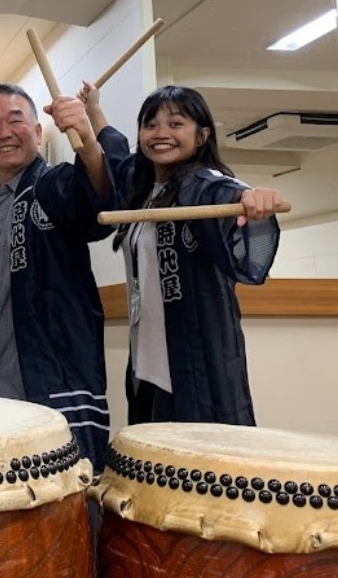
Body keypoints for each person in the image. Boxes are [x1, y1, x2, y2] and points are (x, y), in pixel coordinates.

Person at [78, 81, 281, 426]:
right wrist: (92, 107)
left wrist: (254, 200)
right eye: (151, 124)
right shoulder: (139, 186)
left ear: (201, 136)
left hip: (196, 361)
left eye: (176, 124)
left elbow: (230, 196)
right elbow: (113, 149)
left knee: (201, 466)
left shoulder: (203, 185)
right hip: (145, 365)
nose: (161, 133)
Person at [0, 84, 117, 469]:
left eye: (15, 120)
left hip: (52, 394)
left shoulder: (53, 186)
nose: (3, 132)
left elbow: (99, 205)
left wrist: (87, 137)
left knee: (64, 514)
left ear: (38, 132)